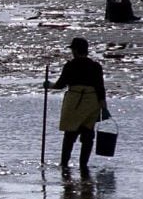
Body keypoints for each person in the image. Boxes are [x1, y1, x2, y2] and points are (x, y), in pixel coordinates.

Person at [45, 38, 108, 172]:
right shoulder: (95, 66)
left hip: (74, 101)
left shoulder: (70, 65)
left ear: (75, 50)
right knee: (88, 135)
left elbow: (60, 85)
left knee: (69, 135)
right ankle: (84, 167)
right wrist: (104, 107)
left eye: (73, 49)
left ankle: (64, 165)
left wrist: (49, 85)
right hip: (92, 102)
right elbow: (100, 88)